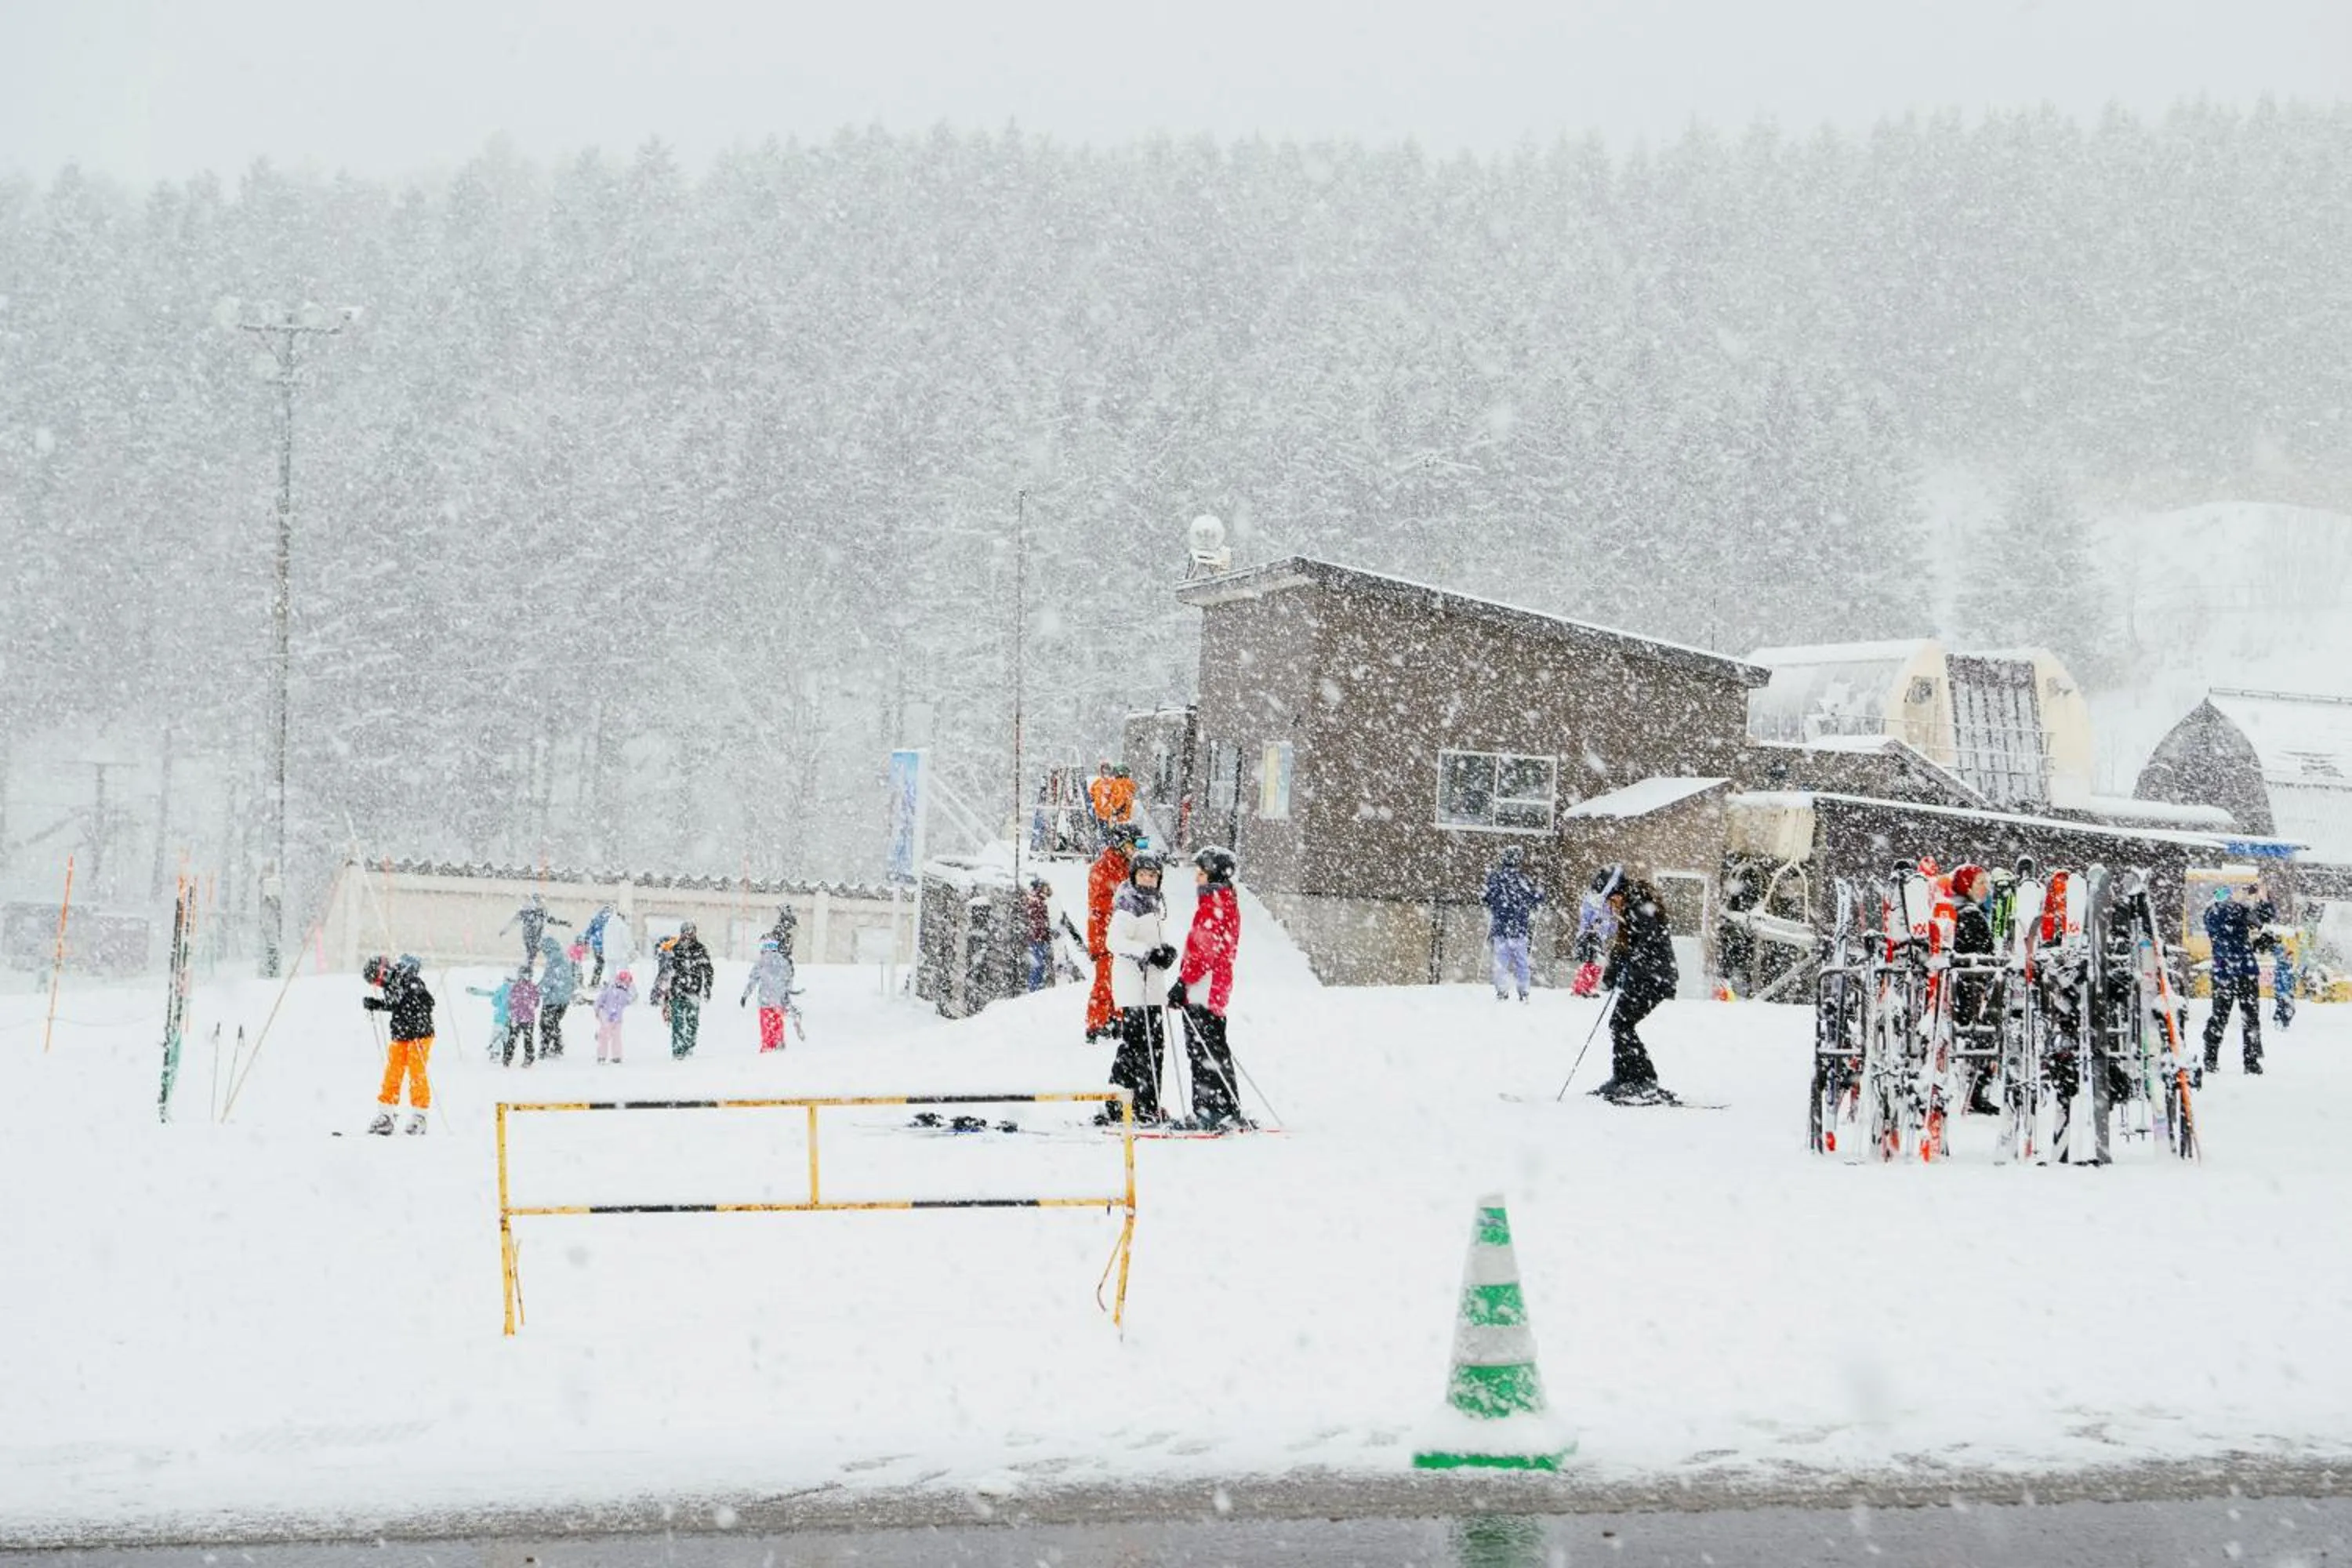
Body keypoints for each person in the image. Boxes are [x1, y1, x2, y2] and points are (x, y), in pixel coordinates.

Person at [1169, 844, 1247, 1129]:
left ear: (1212, 874)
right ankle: (1227, 1107)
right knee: (1215, 1048)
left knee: (1201, 1051)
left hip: (1204, 985)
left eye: (1201, 873)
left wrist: (1183, 982)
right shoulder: (1226, 900)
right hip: (1217, 985)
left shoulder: (1213, 904)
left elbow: (1203, 951)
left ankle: (1208, 1111)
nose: (1196, 878)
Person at [1099, 850, 1178, 1124]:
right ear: (1133, 876)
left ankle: (1131, 1103)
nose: (1147, 880)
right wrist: (1146, 952)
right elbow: (1114, 942)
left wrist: (1164, 951)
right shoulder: (1128, 904)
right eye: (1142, 875)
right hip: (1135, 987)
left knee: (1147, 1046)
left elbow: (1150, 940)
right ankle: (1138, 1104)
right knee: (1142, 1047)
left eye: (1152, 875)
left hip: (1150, 987)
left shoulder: (1153, 903)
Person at [1595, 866, 1679, 1104]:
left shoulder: (1639, 906)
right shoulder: (1629, 908)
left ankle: (1644, 1080)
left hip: (1654, 978)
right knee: (1619, 1024)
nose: (1611, 905)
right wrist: (1611, 976)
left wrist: (1633, 962)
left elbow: (1648, 940)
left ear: (1619, 891)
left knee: (1621, 1024)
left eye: (1612, 899)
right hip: (1643, 976)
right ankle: (1624, 1077)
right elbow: (1623, 948)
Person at [361, 954, 436, 1134]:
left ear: (383, 971)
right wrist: (377, 1004)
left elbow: (429, 1002)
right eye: (375, 983)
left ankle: (420, 1116)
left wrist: (416, 998)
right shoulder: (391, 985)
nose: (379, 984)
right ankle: (386, 1114)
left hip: (419, 1034)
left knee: (416, 1071)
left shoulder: (408, 978)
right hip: (401, 1033)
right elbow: (396, 1004)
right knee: (393, 1071)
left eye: (377, 979)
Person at [2203, 884, 2269, 1074]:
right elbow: (2223, 916)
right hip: (2225, 974)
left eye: (2229, 894)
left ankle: (2251, 1061)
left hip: (2246, 972)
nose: (2228, 898)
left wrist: (2263, 899)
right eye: (2223, 895)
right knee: (2220, 1017)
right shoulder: (2213, 913)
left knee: (2251, 1019)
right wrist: (2239, 901)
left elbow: (2262, 919)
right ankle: (2211, 1058)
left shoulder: (2240, 911)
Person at [1085, 826, 1138, 1042]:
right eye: (1132, 844)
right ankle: (1096, 1024)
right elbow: (1101, 905)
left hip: (1120, 933)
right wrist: (1127, 905)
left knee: (1120, 979)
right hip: (1104, 934)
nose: (1136, 849)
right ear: (1120, 845)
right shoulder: (1103, 868)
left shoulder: (1128, 866)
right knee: (1105, 981)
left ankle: (1117, 1018)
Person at [1482, 845, 1544, 1001]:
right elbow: (1535, 899)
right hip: (1519, 928)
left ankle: (1502, 990)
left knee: (1500, 961)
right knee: (1521, 962)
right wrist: (1540, 893)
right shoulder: (1523, 880)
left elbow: (1487, 897)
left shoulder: (1496, 879)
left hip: (1501, 927)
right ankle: (1524, 991)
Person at [741, 937, 797, 1052]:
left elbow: (753, 981)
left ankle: (767, 1047)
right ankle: (779, 1044)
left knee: (767, 1026)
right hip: (778, 1001)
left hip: (765, 1001)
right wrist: (786, 996)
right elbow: (788, 981)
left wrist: (745, 995)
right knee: (778, 1024)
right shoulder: (784, 962)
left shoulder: (761, 962)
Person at [669, 920, 714, 1058]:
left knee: (692, 1022)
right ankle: (678, 1050)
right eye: (685, 932)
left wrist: (707, 988)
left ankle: (689, 1045)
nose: (688, 935)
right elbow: (667, 971)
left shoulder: (700, 949)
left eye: (691, 932)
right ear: (681, 933)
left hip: (693, 991)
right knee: (677, 1022)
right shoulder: (675, 949)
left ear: (695, 933)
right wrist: (664, 992)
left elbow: (708, 970)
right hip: (677, 991)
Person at [1569, 872, 1617, 997]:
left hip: (1598, 935)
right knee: (1591, 961)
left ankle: (1586, 987)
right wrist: (1592, 926)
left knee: (1595, 962)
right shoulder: (1595, 898)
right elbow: (1588, 916)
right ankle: (1582, 988)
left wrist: (1612, 928)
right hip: (1591, 934)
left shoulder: (1603, 901)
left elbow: (1609, 919)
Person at [499, 893, 571, 975]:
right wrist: (505, 930)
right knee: (531, 953)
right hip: (530, 936)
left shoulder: (540, 911)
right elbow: (515, 920)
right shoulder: (528, 911)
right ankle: (527, 970)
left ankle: (528, 969)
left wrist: (564, 923)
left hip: (535, 936)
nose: (537, 904)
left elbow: (551, 920)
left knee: (532, 953)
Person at [536, 936, 580, 1060]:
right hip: (563, 1001)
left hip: (552, 1000)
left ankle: (545, 1049)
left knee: (545, 1024)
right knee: (554, 1023)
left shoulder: (553, 960)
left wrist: (537, 991)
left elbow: (548, 980)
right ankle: (557, 1048)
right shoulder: (564, 958)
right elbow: (571, 979)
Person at [465, 972, 514, 1062]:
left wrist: (500, 1000)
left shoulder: (501, 989)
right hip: (510, 1018)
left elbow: (494, 1002)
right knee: (506, 1037)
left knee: (496, 1035)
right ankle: (507, 1055)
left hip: (499, 1018)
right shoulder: (516, 990)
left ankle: (495, 1054)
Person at [502, 964, 543, 1068]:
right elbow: (536, 1002)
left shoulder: (515, 987)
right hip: (528, 1018)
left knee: (513, 1038)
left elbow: (510, 1002)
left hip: (517, 1018)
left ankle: (507, 1058)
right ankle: (528, 1057)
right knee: (527, 1038)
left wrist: (514, 1010)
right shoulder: (532, 987)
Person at [593, 968, 637, 1064]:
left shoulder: (609, 990)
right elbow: (630, 1000)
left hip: (607, 1017)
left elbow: (599, 1000)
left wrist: (597, 1010)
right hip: (617, 1019)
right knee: (616, 1038)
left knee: (604, 1037)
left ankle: (601, 1056)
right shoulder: (625, 994)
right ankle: (617, 1056)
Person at [1022, 876, 1055, 993]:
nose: (1047, 889)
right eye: (1045, 887)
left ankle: (1036, 988)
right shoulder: (1038, 901)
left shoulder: (1037, 899)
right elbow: (1039, 921)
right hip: (1038, 938)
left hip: (1038, 938)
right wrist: (1045, 933)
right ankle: (1034, 989)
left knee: (1039, 965)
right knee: (1038, 965)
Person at [579, 903, 616, 987]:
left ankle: (595, 981)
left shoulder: (597, 919)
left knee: (600, 963)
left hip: (597, 946)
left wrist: (586, 941)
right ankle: (606, 982)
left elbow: (589, 931)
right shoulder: (610, 920)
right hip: (606, 946)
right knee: (608, 963)